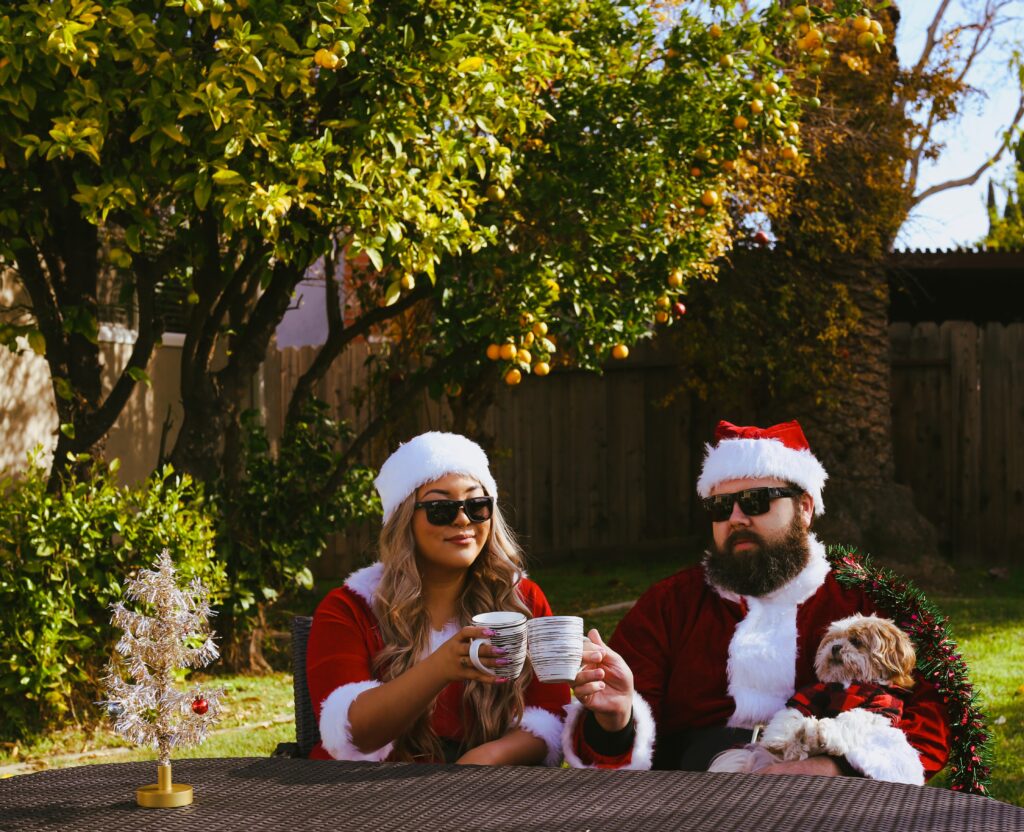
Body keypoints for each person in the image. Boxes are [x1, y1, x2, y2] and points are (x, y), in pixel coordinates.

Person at [563, 419, 951, 782]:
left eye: (756, 501)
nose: (735, 518)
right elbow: (612, 745)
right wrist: (615, 721)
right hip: (693, 796)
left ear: (804, 508)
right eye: (720, 507)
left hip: (834, 791)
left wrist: (834, 768)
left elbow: (935, 712)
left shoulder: (865, 599)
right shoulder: (670, 605)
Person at [307, 431, 568, 765]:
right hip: (368, 798)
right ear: (404, 520)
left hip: (485, 796)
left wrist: (483, 760)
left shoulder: (520, 599)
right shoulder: (351, 608)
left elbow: (549, 716)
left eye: (477, 506)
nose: (463, 519)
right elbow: (351, 735)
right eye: (440, 509)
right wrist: (440, 668)